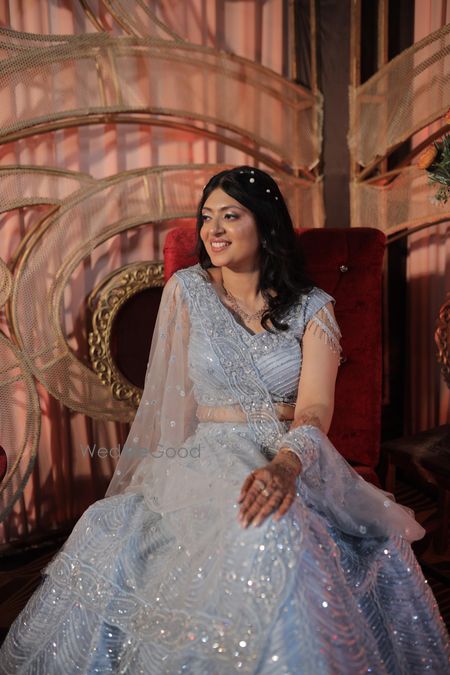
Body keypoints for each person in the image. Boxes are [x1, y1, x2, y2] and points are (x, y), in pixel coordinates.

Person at [0, 166, 448, 674]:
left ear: (266, 225)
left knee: (290, 531)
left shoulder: (313, 308)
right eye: (207, 216)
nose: (212, 229)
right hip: (208, 453)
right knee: (166, 526)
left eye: (230, 216)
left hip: (292, 451)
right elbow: (169, 402)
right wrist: (160, 476)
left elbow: (315, 410)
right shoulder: (187, 290)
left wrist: (286, 465)